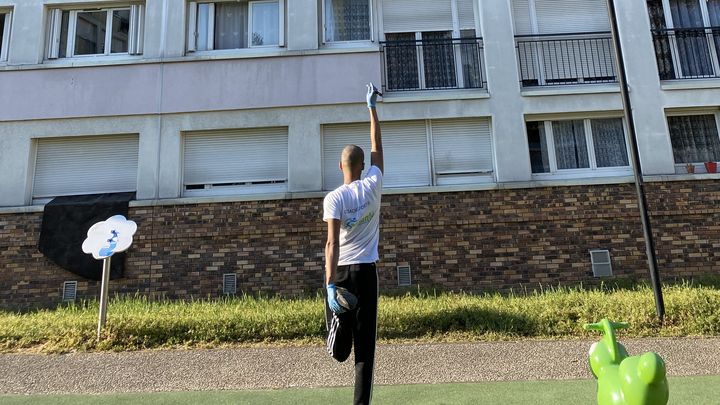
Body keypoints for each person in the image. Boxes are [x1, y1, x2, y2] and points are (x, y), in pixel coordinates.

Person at [323, 83, 383, 405]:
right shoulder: (374, 184)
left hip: (342, 273)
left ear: (340, 166)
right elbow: (377, 146)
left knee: (340, 346)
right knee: (366, 349)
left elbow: (331, 243)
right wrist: (371, 108)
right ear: (363, 167)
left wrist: (329, 285)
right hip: (366, 274)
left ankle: (339, 324)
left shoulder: (334, 198)